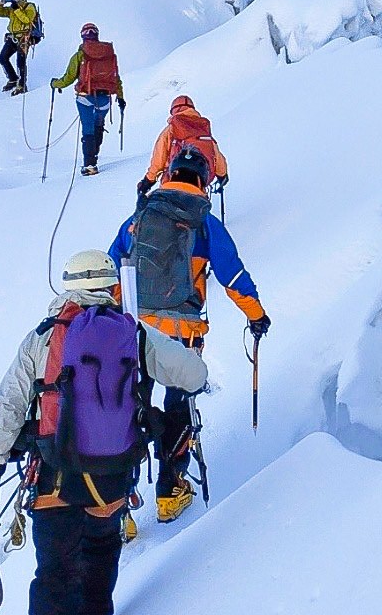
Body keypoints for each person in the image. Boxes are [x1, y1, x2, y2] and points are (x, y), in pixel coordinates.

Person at [0, 249, 206, 615]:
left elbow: (8, 404)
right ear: (108, 285)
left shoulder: (43, 339)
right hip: (112, 476)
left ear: (68, 285)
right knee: (101, 546)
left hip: (55, 478)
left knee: (53, 577)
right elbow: (194, 375)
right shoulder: (132, 334)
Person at [110, 147, 269, 521]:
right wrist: (257, 314)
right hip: (183, 335)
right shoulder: (205, 223)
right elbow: (232, 277)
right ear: (204, 181)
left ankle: (119, 505)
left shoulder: (138, 218)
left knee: (128, 407)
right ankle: (169, 490)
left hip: (133, 332)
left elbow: (113, 270)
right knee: (178, 405)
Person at [51, 23, 125, 177]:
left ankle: (89, 164)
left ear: (83, 36)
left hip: (85, 97)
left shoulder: (80, 55)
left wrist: (55, 84)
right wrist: (120, 97)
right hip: (105, 99)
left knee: (88, 129)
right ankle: (94, 157)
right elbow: (116, 78)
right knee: (98, 125)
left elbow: (68, 78)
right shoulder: (108, 54)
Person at [137, 94, 228, 201]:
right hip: (198, 188)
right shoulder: (203, 130)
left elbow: (158, 161)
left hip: (171, 185)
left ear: (174, 110)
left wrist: (147, 181)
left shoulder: (170, 129)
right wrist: (222, 177)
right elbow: (217, 158)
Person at [0, 0, 42, 94]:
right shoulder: (12, 8)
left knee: (20, 62)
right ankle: (13, 78)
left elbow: (27, 20)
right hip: (13, 37)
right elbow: (0, 13)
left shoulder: (29, 7)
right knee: (3, 58)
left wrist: (17, 10)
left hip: (24, 38)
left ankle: (21, 85)